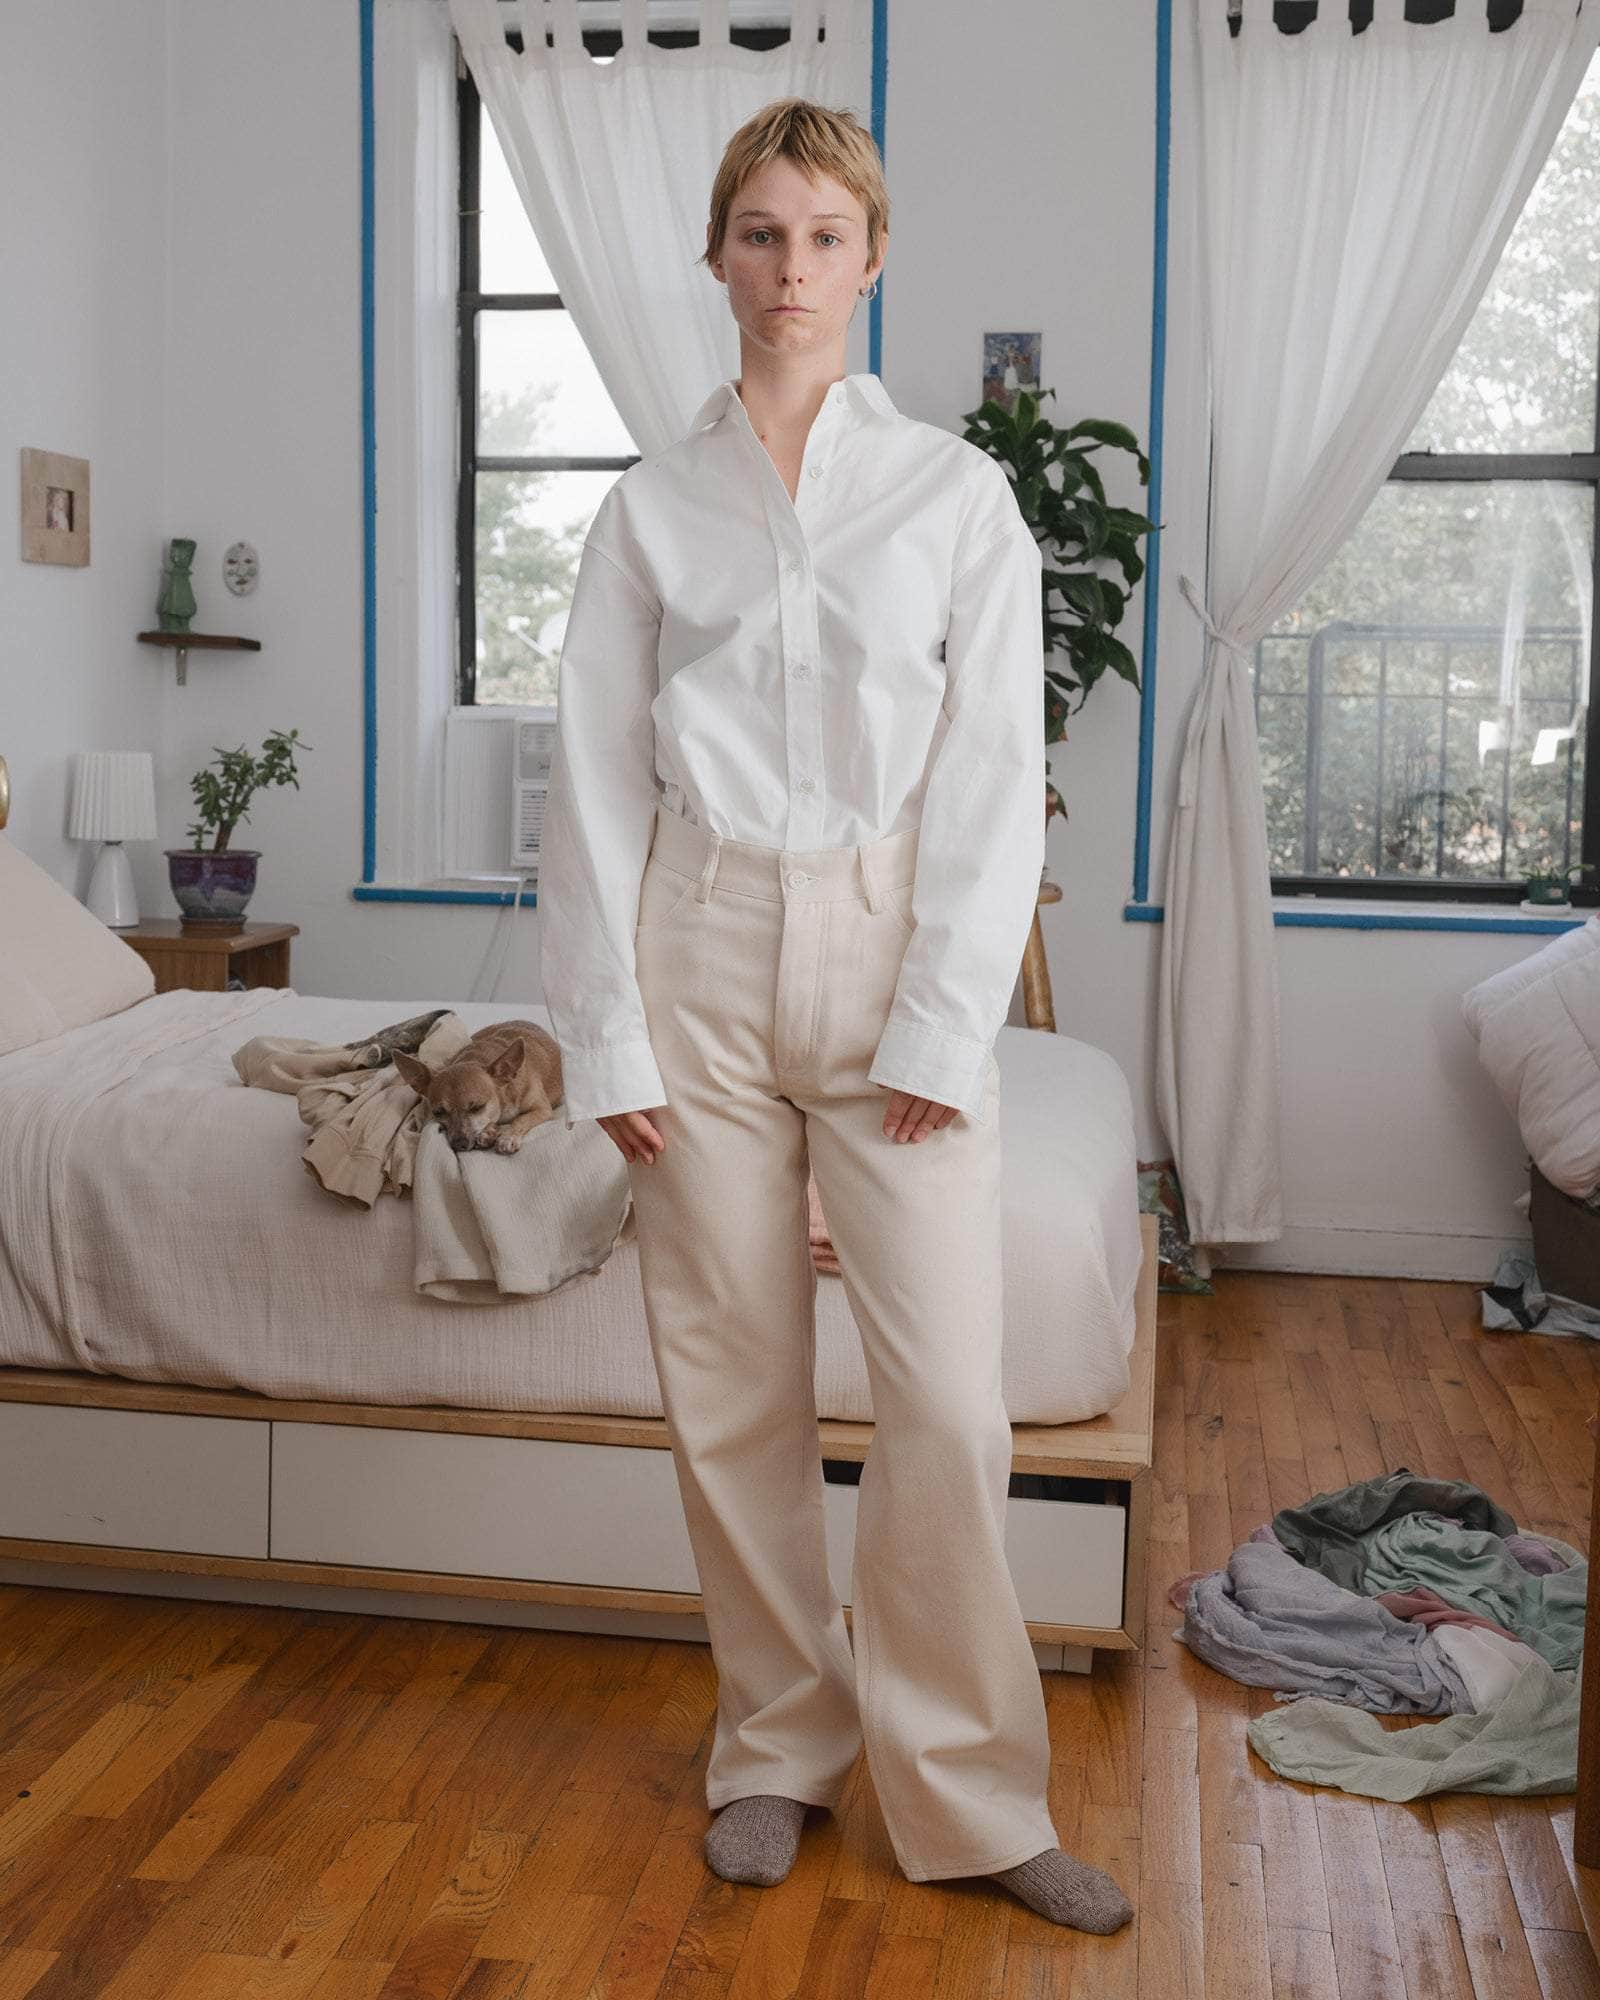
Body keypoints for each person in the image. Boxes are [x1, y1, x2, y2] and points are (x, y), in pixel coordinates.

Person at [537, 95, 1132, 1935]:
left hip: (887, 944)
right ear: (716, 256)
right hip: (700, 945)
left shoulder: (954, 498)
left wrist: (946, 1023)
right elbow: (592, 785)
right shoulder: (651, 509)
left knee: (947, 1402)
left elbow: (990, 774)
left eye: (823, 235)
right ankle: (775, 1751)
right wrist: (609, 1038)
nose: (790, 268)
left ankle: (970, 1796)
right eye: (759, 233)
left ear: (872, 258)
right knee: (733, 1392)